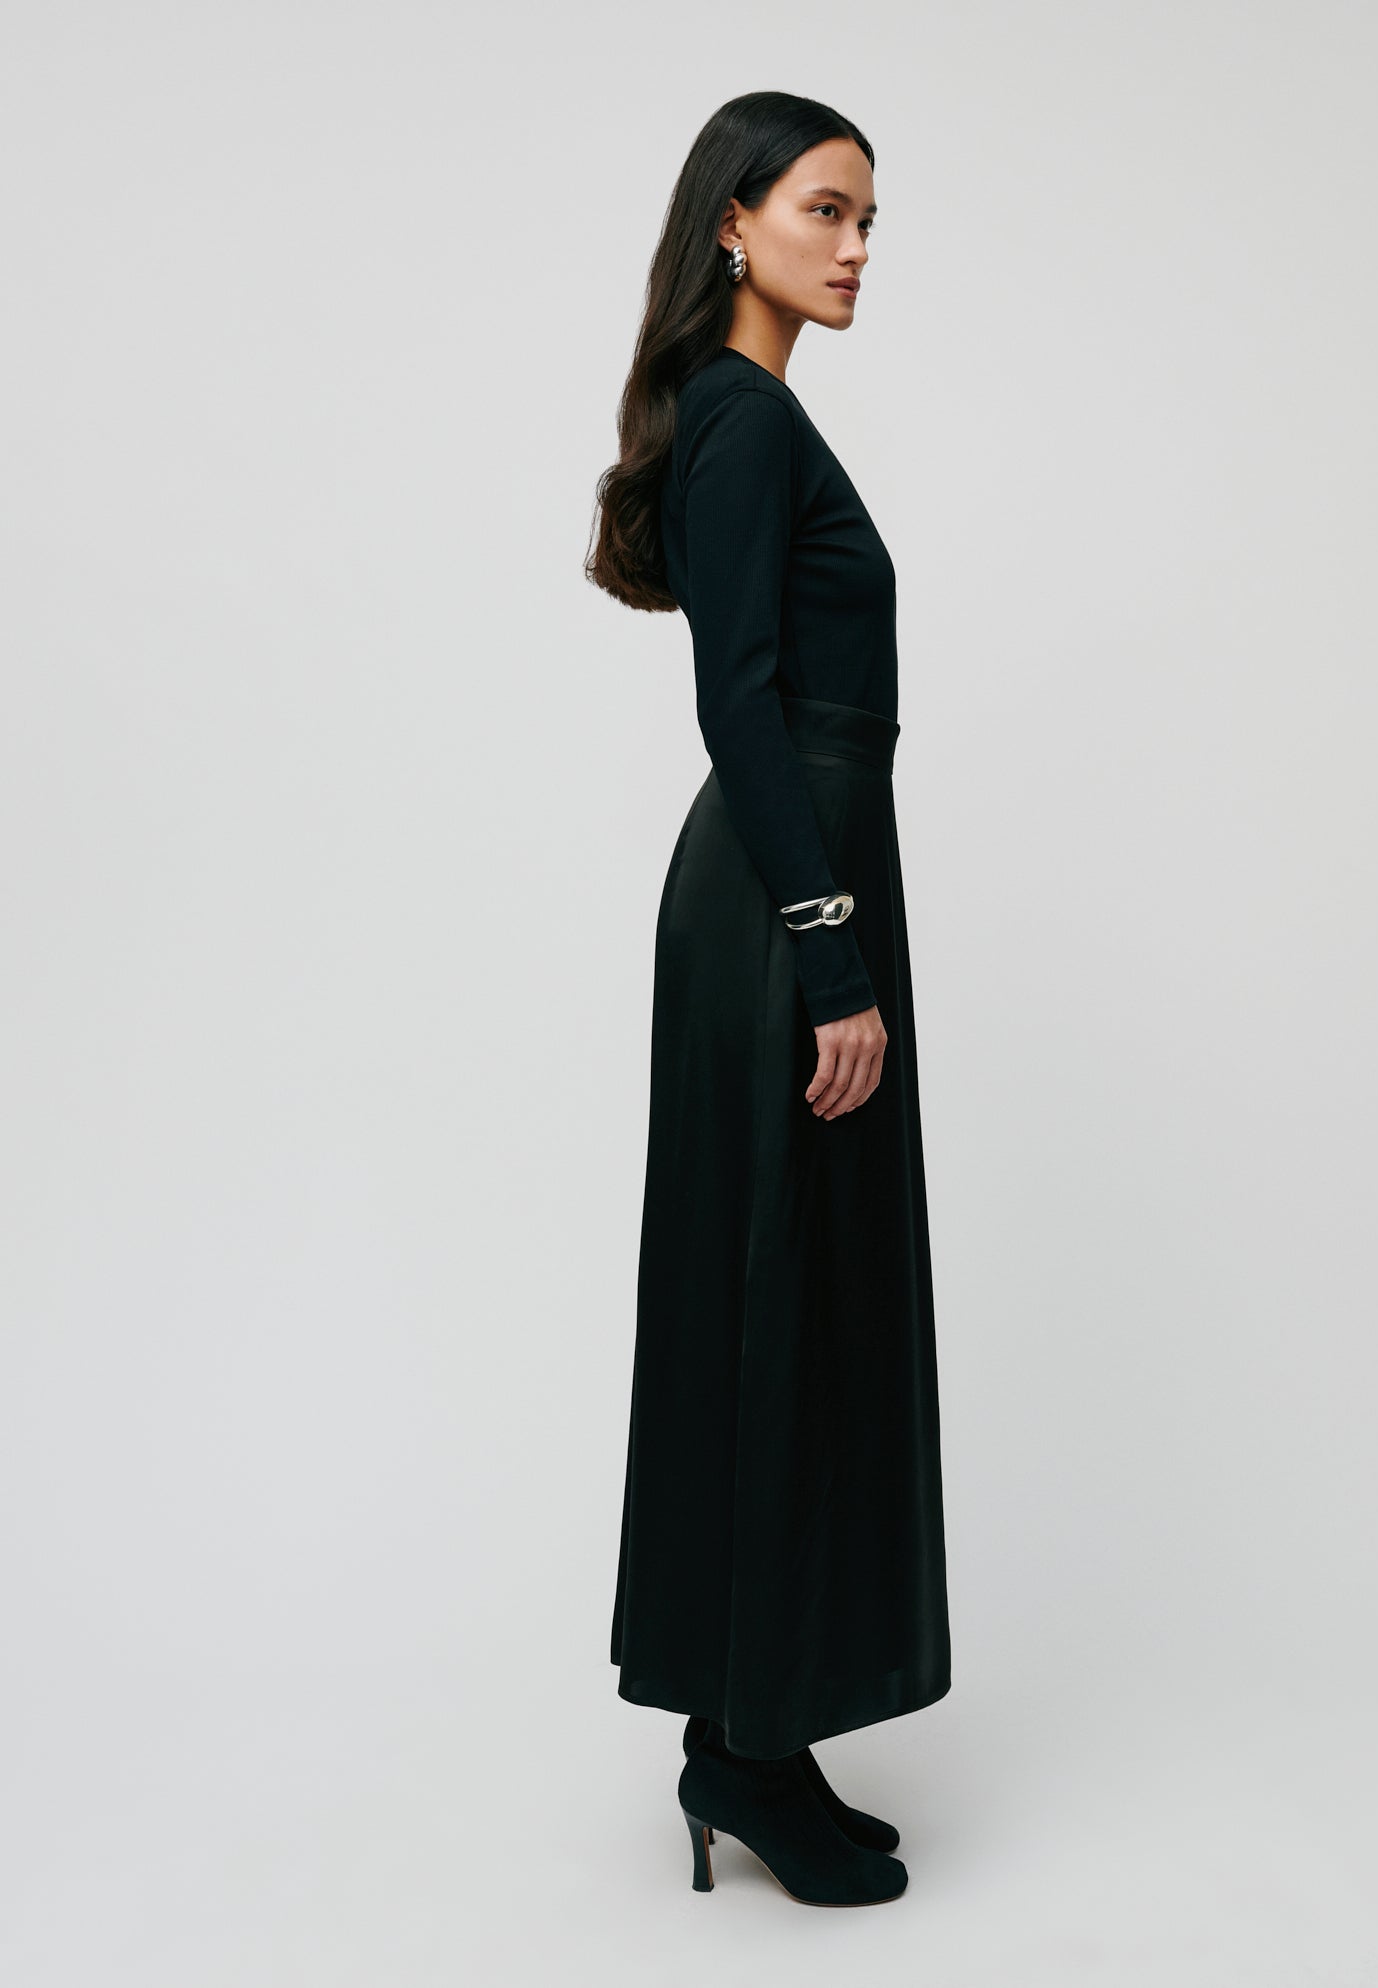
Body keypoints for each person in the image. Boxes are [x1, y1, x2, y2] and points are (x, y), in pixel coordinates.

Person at [585, 90, 951, 1909]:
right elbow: (738, 697)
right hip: (777, 896)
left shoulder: (763, 418)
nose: (860, 243)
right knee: (770, 1296)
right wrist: (828, 950)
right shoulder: (738, 424)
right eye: (830, 208)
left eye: (873, 217)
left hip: (812, 868)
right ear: (736, 222)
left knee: (798, 1296)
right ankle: (733, 1742)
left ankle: (766, 1724)